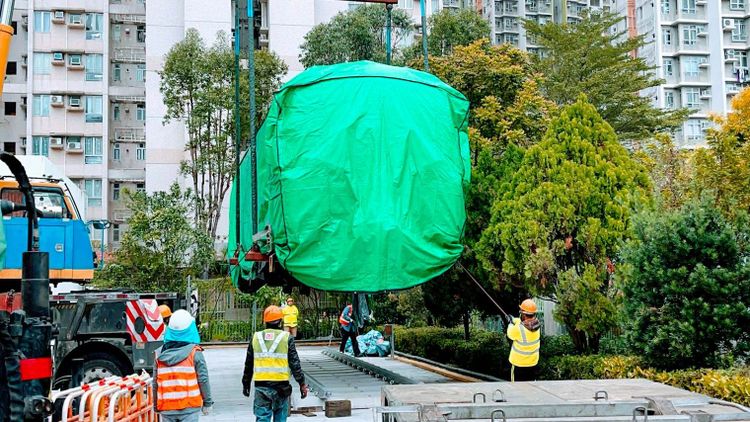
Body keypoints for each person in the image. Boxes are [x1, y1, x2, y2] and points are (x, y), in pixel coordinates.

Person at [242, 306, 309, 422]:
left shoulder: (256, 337)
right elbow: (295, 363)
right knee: (280, 418)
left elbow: (249, 363)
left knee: (262, 418)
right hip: (281, 387)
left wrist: (246, 383)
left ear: (265, 321)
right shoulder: (286, 337)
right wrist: (302, 383)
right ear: (280, 321)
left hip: (261, 386)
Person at [154, 309, 213, 421]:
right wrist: (207, 402)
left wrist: (156, 405)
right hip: (189, 408)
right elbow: (203, 379)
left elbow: (155, 382)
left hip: (167, 409)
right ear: (191, 329)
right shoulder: (195, 353)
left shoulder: (159, 355)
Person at [506, 299, 541, 382]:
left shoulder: (518, 329)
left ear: (524, 315)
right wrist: (513, 319)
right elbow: (521, 322)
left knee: (517, 390)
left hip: (519, 365)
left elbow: (509, 333)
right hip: (532, 363)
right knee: (530, 388)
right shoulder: (536, 325)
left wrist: (510, 322)